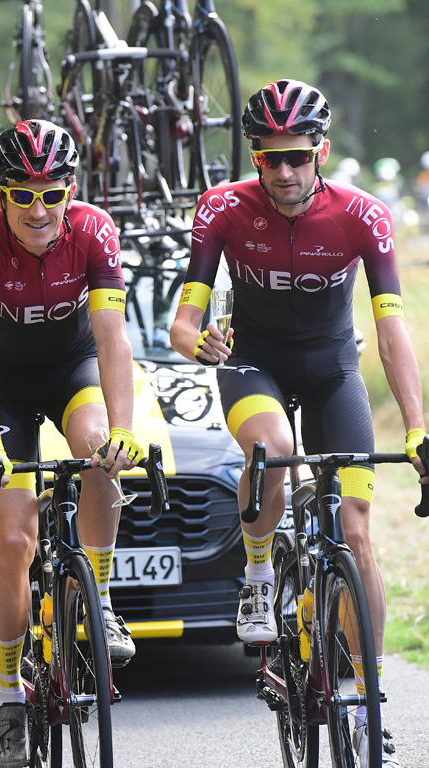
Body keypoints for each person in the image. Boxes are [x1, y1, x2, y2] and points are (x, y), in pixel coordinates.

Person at [169, 79, 426, 767]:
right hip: (253, 365)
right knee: (273, 448)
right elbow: (184, 320)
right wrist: (195, 340)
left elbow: (393, 330)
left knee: (358, 532)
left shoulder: (363, 215)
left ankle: (371, 705)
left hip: (334, 370)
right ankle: (258, 573)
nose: (283, 171)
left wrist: (416, 426)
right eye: (269, 157)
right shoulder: (222, 209)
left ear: (322, 152)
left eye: (297, 157)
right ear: (255, 157)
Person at [0, 120, 144, 768]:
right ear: (1, 194)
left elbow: (113, 338)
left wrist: (122, 428)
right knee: (13, 539)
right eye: (22, 194)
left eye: (51, 194)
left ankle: (102, 600)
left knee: (98, 448)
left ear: (71, 190)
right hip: (6, 384)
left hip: (72, 369)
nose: (38, 209)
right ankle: (9, 692)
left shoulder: (93, 230)